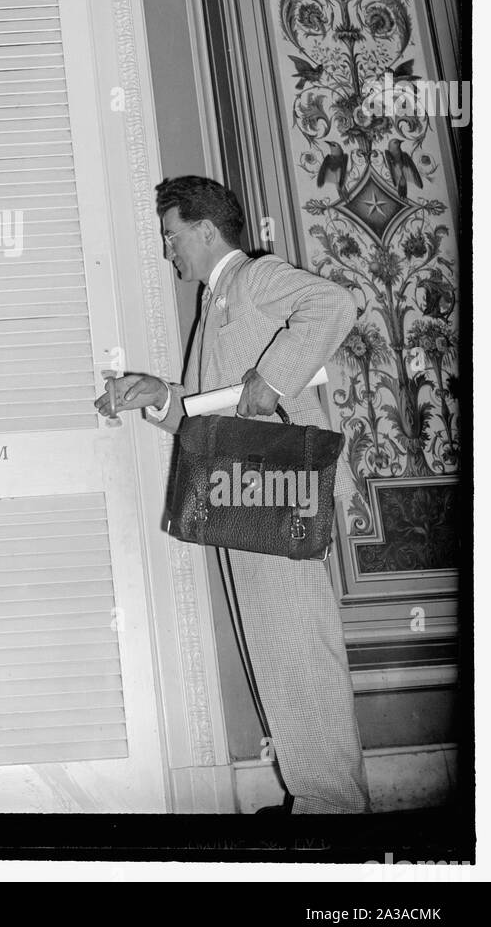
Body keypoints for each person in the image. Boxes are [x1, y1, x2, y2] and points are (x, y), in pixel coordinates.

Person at [96, 175, 370, 815]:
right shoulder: (212, 306)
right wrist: (154, 396)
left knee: (300, 649)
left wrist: (272, 378)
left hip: (284, 494)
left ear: (206, 229)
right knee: (279, 652)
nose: (170, 252)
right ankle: (318, 800)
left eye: (172, 236)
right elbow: (201, 417)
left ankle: (334, 810)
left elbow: (335, 305)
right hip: (249, 497)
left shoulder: (253, 278)